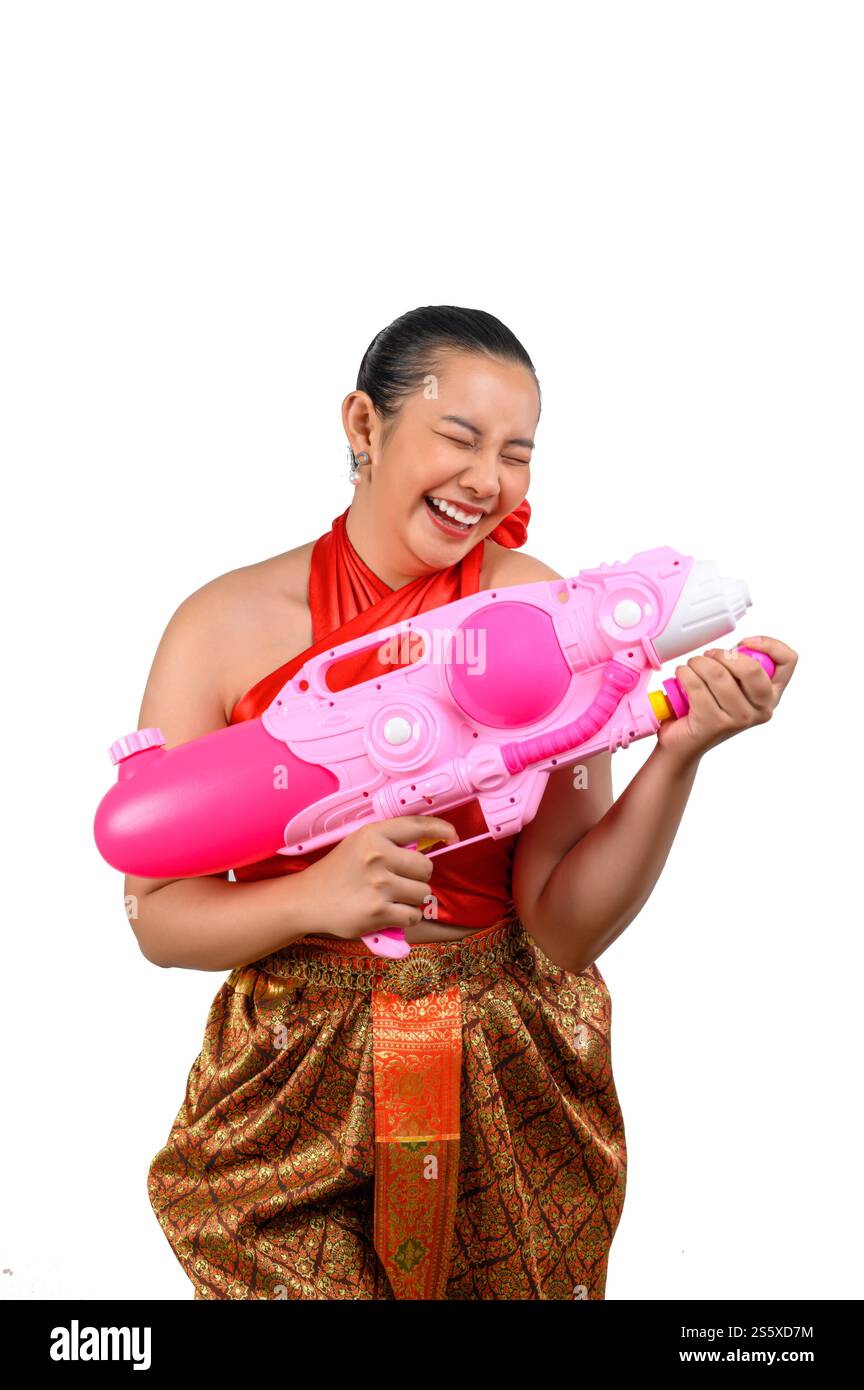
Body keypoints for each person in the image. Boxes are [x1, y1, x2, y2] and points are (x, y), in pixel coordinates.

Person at [133, 305, 797, 1300]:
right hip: (289, 1074)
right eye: (460, 436)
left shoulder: (549, 619)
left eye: (517, 453)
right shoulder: (220, 627)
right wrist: (317, 898)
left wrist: (678, 754)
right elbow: (159, 916)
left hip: (508, 1057)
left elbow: (565, 929)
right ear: (364, 425)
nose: (490, 479)